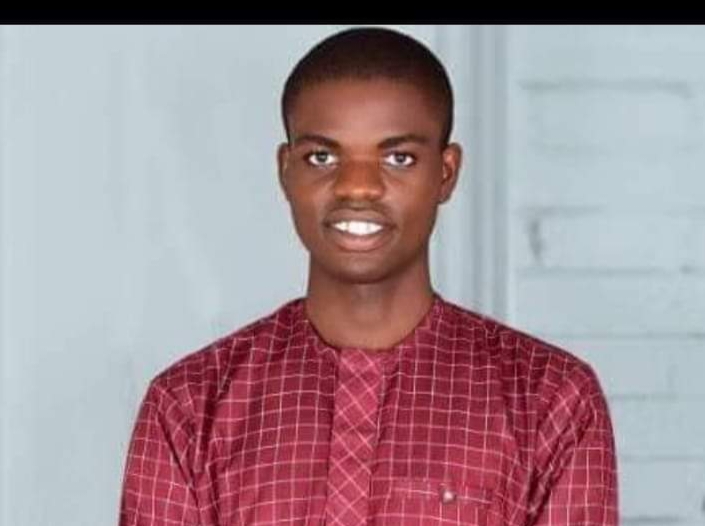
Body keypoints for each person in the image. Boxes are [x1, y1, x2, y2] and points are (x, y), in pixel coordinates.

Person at [118, 27, 618, 526]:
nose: (357, 188)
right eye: (322, 157)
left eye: (398, 158)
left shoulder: (548, 399)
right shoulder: (190, 405)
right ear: (286, 170)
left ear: (445, 173)